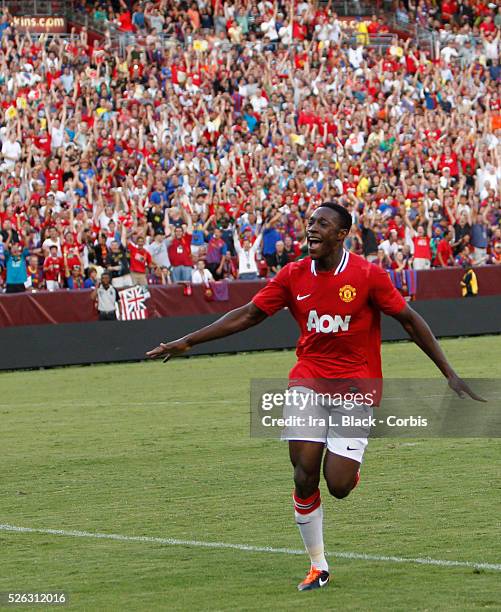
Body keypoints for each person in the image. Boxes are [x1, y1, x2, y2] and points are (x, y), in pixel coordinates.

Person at [147, 202, 482, 592]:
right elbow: (249, 314)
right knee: (304, 471)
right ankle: (318, 565)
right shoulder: (293, 275)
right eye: (310, 223)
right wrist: (188, 340)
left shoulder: (368, 276)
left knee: (336, 484)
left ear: (342, 235)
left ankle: (350, 472)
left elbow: (409, 320)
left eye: (323, 224)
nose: (312, 229)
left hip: (358, 386)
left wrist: (449, 373)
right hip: (308, 379)